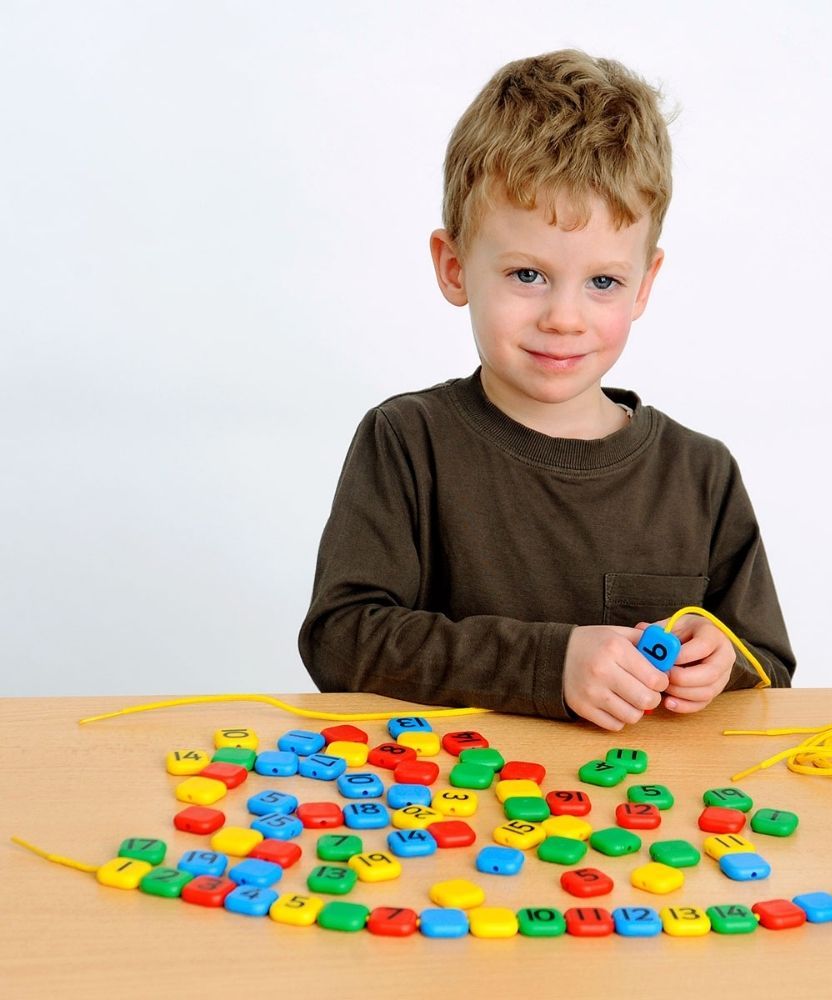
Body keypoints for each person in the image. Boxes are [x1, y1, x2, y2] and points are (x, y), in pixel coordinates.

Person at [299, 49, 795, 731]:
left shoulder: (701, 474)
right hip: (456, 813)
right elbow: (340, 640)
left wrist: (722, 664)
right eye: (527, 274)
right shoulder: (407, 443)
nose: (564, 317)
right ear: (454, 268)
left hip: (647, 822)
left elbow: (768, 662)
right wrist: (546, 664)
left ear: (644, 285)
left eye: (603, 282)